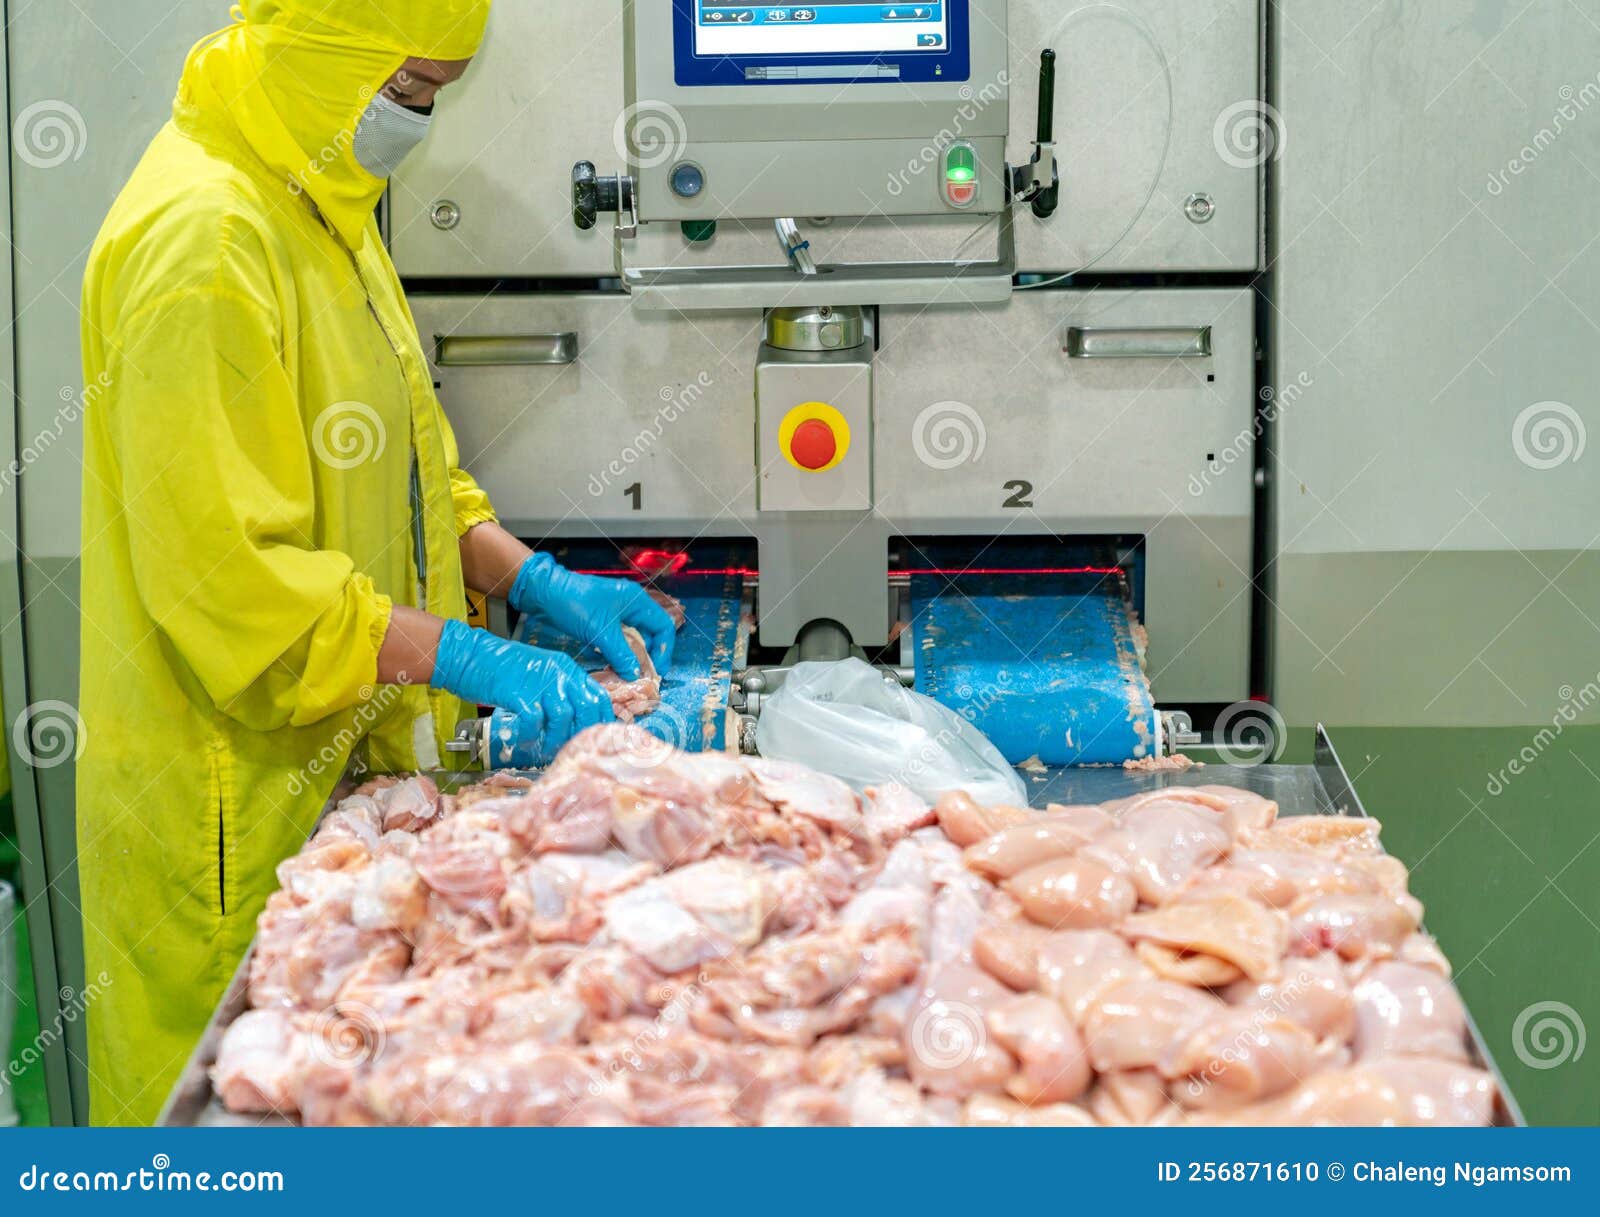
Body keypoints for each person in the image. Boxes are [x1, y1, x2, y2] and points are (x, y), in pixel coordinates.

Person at [75, 0, 674, 1124]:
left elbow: (408, 471)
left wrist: (526, 575)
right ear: (319, 58)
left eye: (437, 94)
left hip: (342, 770)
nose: (418, 127)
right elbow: (231, 587)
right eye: (407, 94)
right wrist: (465, 658)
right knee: (233, 1134)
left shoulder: (318, 202)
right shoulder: (205, 242)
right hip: (235, 811)